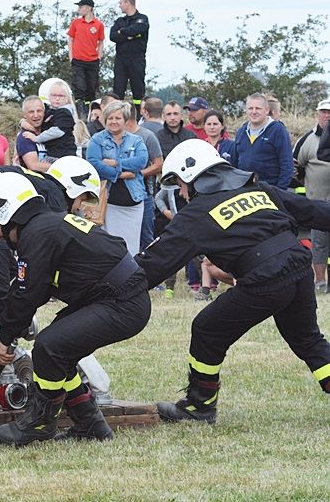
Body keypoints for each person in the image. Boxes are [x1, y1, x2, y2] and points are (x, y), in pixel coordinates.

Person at [136, 139, 330, 424]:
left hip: (266, 278)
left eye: (179, 183)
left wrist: (111, 284)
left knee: (207, 329)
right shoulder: (258, 189)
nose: (180, 191)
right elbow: (312, 211)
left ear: (192, 176)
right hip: (299, 267)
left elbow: (154, 263)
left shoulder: (195, 215)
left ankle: (199, 407)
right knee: (308, 340)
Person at [0, 172, 150, 445]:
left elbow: (27, 295)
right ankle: (91, 425)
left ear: (6, 213)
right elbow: (28, 285)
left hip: (121, 302)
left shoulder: (37, 233)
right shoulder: (44, 226)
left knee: (49, 346)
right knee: (59, 351)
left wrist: (5, 341)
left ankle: (41, 422)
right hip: (114, 297)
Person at [0, 157, 100, 321]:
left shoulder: (40, 183)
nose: (79, 207)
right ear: (73, 188)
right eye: (82, 199)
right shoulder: (55, 198)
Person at [87, 101, 149, 255]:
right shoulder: (97, 139)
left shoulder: (136, 140)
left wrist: (116, 163)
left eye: (118, 118)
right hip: (108, 204)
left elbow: (141, 160)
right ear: (105, 120)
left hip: (134, 203)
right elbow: (94, 163)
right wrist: (120, 174)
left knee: (131, 247)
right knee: (109, 247)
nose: (114, 121)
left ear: (125, 120)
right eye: (110, 118)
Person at [295, 99, 330, 291]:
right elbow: (296, 167)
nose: (327, 115)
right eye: (324, 112)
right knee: (319, 245)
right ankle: (320, 283)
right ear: (318, 113)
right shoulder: (307, 140)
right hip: (317, 201)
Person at [230, 93, 292, 190]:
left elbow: (287, 164)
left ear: (267, 110)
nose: (254, 112)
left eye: (258, 108)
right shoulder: (241, 132)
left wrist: (280, 191)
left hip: (270, 190)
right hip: (244, 191)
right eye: (250, 108)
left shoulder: (277, 130)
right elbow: (234, 164)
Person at [124, 105, 162, 250]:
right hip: (117, 195)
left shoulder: (147, 136)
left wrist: (138, 174)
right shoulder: (112, 137)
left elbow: (159, 164)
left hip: (144, 194)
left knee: (145, 236)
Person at [110, 0, 149, 110]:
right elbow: (112, 36)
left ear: (128, 3)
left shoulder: (142, 19)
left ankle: (138, 114)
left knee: (138, 89)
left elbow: (138, 29)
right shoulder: (119, 21)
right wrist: (128, 35)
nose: (119, 5)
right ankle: (117, 113)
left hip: (137, 59)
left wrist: (121, 33)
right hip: (121, 59)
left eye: (121, 3)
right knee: (118, 89)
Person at [66, 0, 104, 118]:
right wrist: (71, 55)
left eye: (81, 7)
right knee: (79, 85)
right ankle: (80, 110)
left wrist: (99, 56)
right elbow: (70, 39)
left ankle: (90, 111)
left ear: (88, 8)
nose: (79, 9)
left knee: (92, 86)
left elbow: (101, 41)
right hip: (78, 60)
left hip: (92, 61)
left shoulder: (98, 24)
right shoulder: (76, 22)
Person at [22, 79, 77, 160]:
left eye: (61, 96)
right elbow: (37, 118)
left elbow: (57, 131)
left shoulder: (65, 113)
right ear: (49, 97)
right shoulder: (51, 111)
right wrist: (23, 122)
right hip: (53, 152)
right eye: (54, 95)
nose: (57, 98)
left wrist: (37, 138)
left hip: (63, 154)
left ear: (67, 98)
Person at [15, 96, 50, 171]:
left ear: (44, 112)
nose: (36, 115)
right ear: (24, 115)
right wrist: (61, 166)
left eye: (39, 111)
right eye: (31, 112)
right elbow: (34, 166)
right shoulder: (25, 136)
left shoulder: (50, 131)